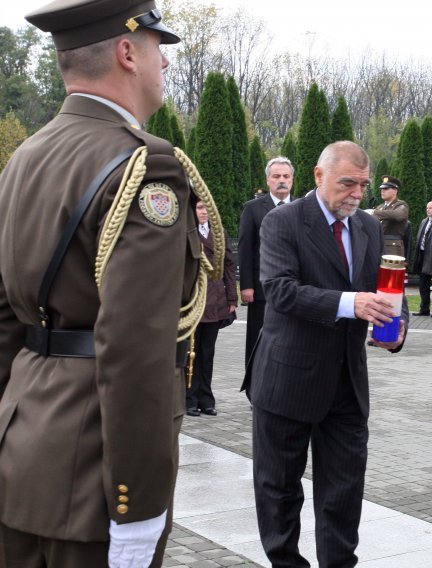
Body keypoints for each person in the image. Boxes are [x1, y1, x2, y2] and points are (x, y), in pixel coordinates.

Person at [0, 1, 219, 565]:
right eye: (156, 48)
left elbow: (6, 320)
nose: (165, 65)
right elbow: (133, 351)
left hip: (20, 453)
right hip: (94, 473)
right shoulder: (146, 168)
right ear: (126, 53)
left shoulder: (24, 159)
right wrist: (137, 508)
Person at [241, 141, 408, 568]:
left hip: (347, 385)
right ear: (319, 176)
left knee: (343, 491)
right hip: (288, 380)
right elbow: (279, 290)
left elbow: (386, 286)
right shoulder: (283, 222)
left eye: (363, 185)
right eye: (347, 183)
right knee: (279, 491)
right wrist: (351, 304)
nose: (356, 193)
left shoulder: (369, 227)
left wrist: (396, 325)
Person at [238, 156, 294, 365]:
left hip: (293, 288)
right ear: (268, 179)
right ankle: (254, 382)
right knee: (258, 339)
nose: (282, 180)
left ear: (292, 180)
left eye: (286, 176)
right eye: (276, 176)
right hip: (261, 289)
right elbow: (245, 248)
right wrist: (246, 286)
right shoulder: (253, 208)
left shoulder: (301, 207)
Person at [186, 201, 237, 417]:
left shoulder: (219, 232)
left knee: (208, 353)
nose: (204, 212)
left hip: (215, 298)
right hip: (193, 299)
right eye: (199, 207)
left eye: (208, 207)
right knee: (191, 353)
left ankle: (206, 399)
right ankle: (188, 399)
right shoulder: (186, 231)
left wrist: (231, 297)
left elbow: (228, 264)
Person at [366, 175, 409, 258]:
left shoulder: (401, 205)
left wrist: (373, 212)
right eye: (382, 189)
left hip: (393, 248)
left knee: (390, 271)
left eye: (386, 189)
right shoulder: (380, 207)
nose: (382, 191)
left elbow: (398, 215)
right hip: (377, 246)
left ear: (395, 191)